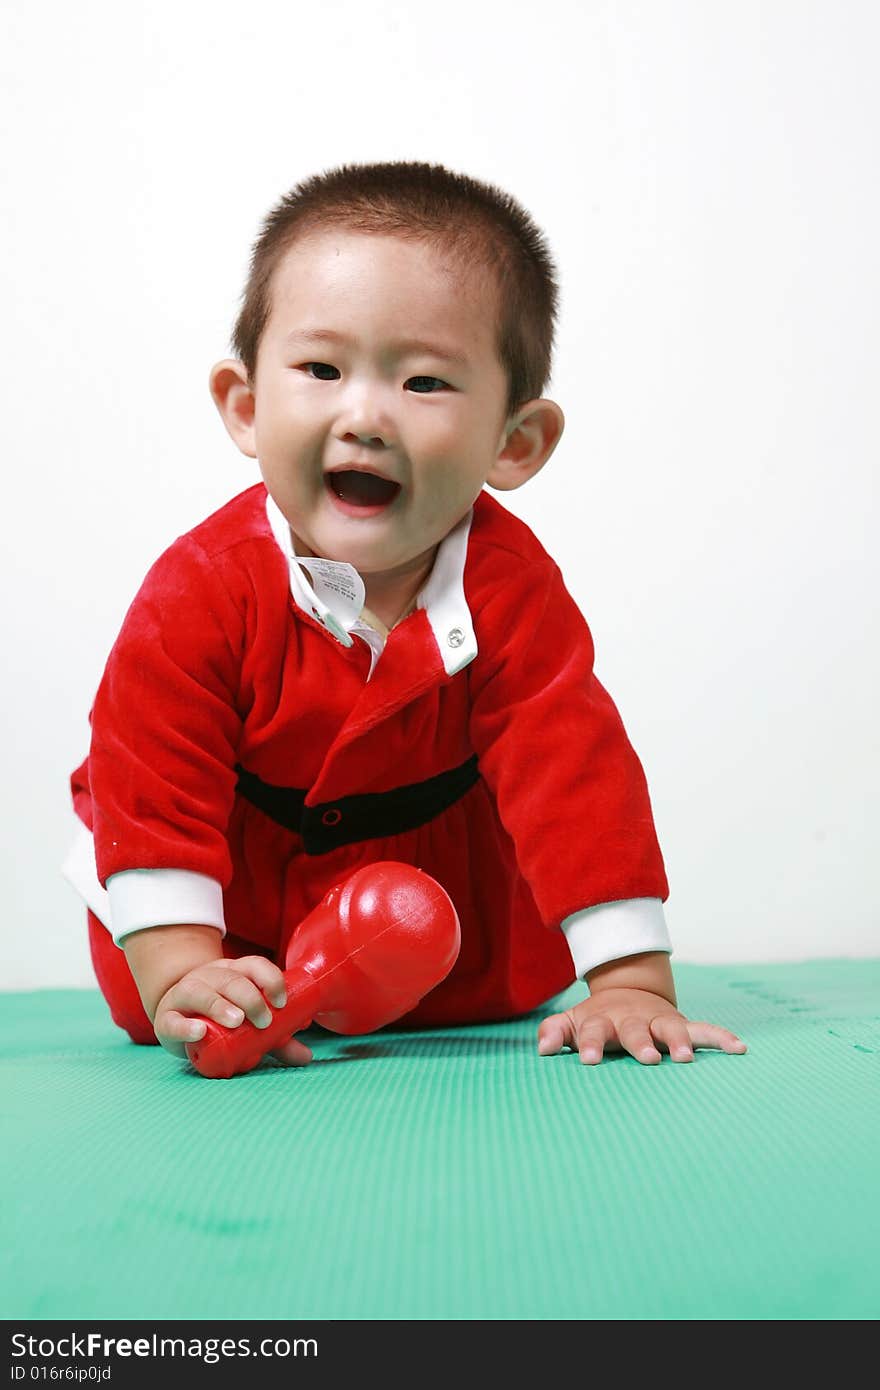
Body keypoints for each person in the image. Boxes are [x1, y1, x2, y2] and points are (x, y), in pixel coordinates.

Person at [63, 159, 747, 1071]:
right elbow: (150, 770)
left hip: (452, 927)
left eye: (424, 383)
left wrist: (629, 982)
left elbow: (573, 773)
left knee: (499, 938)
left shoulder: (513, 591)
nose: (365, 415)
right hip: (230, 917)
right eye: (320, 368)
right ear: (244, 407)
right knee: (183, 977)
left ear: (514, 443)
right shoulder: (201, 589)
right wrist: (177, 963)